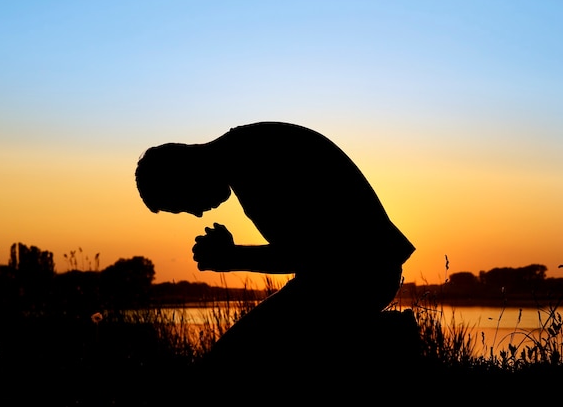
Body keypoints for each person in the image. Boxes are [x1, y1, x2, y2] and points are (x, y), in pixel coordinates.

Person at [135, 121, 416, 381]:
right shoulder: (247, 149)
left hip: (356, 277)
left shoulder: (253, 164)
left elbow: (302, 255)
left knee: (227, 364)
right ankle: (378, 339)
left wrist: (232, 257)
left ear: (184, 173)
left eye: (184, 202)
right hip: (352, 274)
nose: (196, 213)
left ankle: (385, 338)